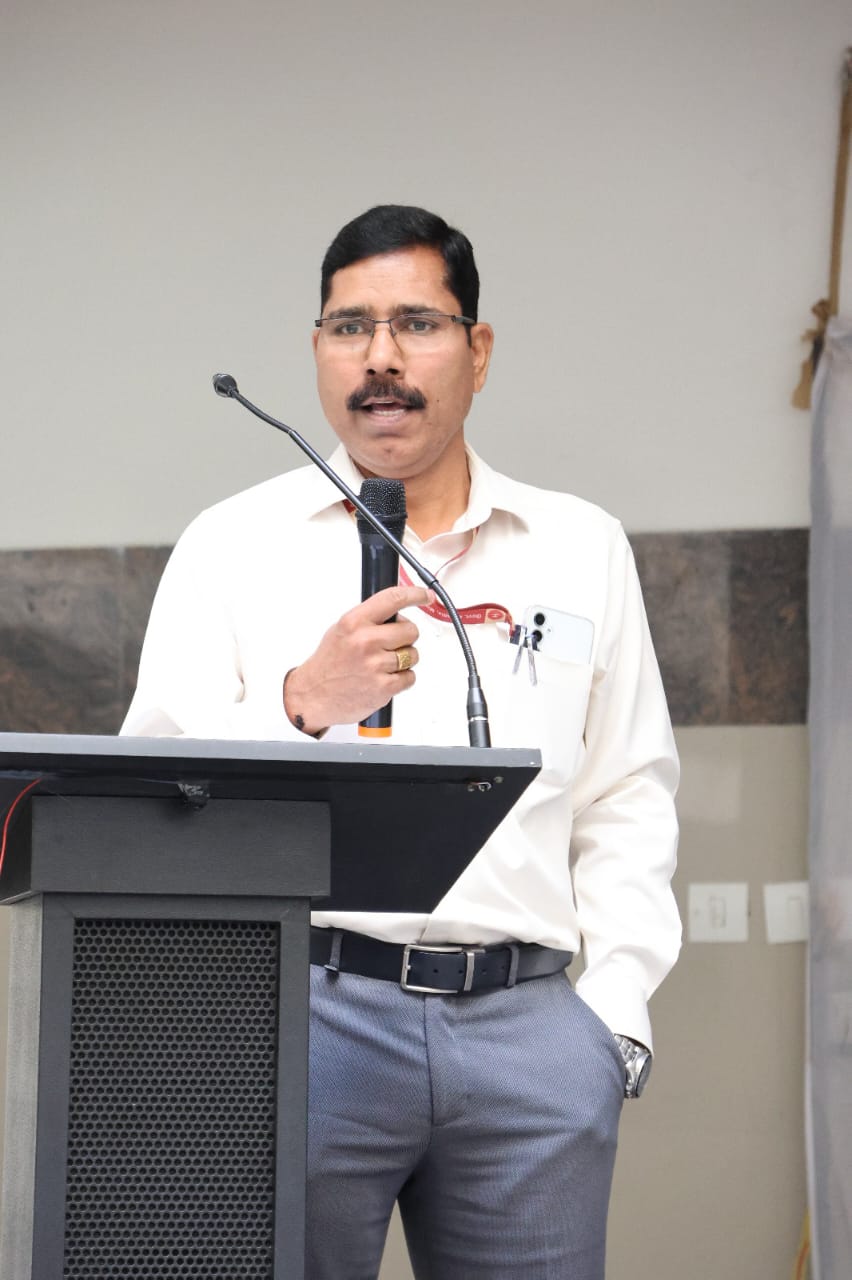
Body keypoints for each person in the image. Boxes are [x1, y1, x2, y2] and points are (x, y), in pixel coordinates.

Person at [122, 204, 681, 1280]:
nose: (380, 357)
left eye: (417, 323)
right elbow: (150, 802)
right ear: (318, 350)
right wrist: (299, 701)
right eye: (351, 327)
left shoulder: (580, 546)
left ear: (478, 349)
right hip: (302, 1019)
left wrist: (611, 1022)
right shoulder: (230, 545)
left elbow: (627, 793)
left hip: (531, 1031)